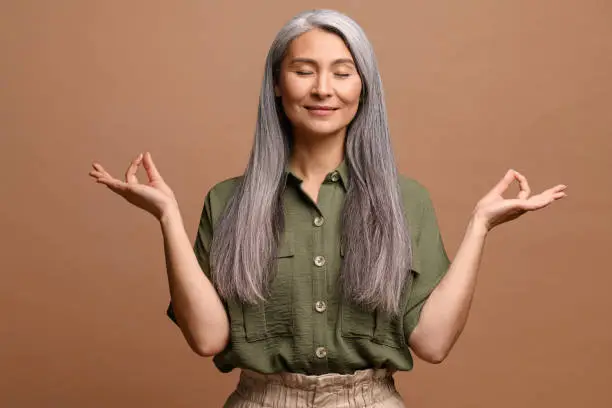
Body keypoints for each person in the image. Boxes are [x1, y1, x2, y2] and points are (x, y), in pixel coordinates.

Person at [88, 9, 567, 408]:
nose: (323, 89)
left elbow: (432, 344)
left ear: (364, 89)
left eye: (342, 72)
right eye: (303, 71)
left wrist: (480, 226)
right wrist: (167, 216)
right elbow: (208, 340)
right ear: (277, 84)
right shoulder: (226, 200)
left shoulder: (407, 201)